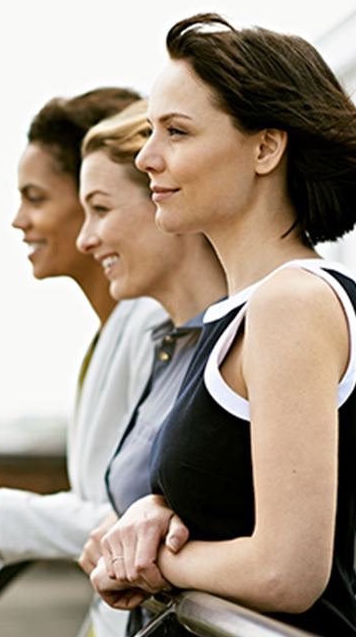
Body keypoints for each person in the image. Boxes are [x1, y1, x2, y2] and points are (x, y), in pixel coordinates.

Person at [90, 14, 356, 637]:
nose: (147, 156)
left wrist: (151, 562)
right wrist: (154, 514)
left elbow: (287, 571)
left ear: (266, 147)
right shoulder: (247, 310)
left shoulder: (292, 302)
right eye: (150, 131)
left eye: (176, 131)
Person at [0, 87, 163, 637]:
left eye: (35, 197)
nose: (17, 220)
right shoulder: (114, 329)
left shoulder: (154, 326)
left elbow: (123, 519)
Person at [71, 99, 227, 633]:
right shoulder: (166, 346)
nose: (85, 238)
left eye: (101, 208)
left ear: (162, 199)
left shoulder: (233, 346)